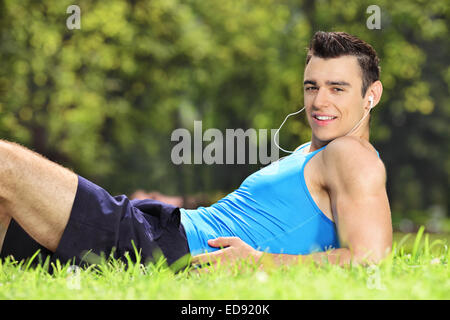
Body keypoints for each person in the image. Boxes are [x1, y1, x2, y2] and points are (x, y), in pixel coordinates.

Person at [0, 31, 392, 271]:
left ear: (370, 95)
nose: (319, 101)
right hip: (157, 229)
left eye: (337, 88)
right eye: (311, 86)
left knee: (6, 164)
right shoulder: (312, 153)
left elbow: (370, 259)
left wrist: (260, 264)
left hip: (164, 246)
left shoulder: (351, 155)